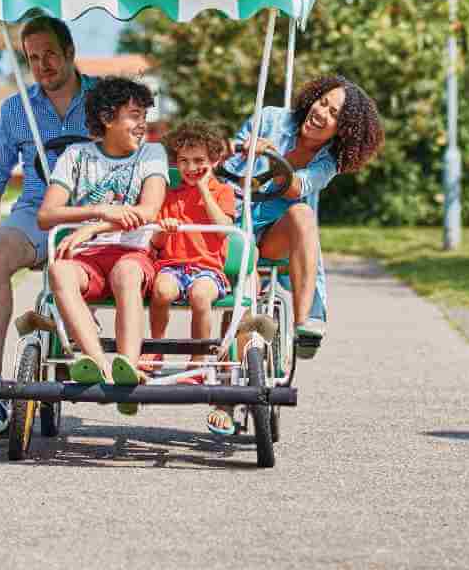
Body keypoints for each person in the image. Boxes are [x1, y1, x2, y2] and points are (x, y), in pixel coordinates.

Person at [0, 17, 96, 438]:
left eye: (49, 55)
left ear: (70, 54)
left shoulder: (105, 99)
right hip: (38, 210)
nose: (42, 65)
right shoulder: (16, 109)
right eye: (32, 58)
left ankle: (118, 357)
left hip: (96, 213)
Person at [226, 74, 384, 359]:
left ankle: (304, 326)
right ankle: (231, 384)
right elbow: (226, 166)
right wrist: (245, 151)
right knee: (247, 291)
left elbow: (298, 187)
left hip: (276, 234)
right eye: (322, 103)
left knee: (302, 212)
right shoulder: (271, 118)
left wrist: (275, 160)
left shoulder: (329, 160)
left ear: (343, 130)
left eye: (333, 113)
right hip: (236, 222)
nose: (321, 113)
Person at [40, 78, 169, 415]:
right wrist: (98, 209)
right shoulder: (76, 156)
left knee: (127, 273)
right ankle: (98, 362)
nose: (142, 125)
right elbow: (47, 215)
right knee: (58, 271)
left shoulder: (151, 154)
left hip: (132, 253)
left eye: (144, 116)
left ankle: (128, 364)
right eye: (134, 115)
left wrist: (94, 227)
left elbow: (148, 211)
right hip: (88, 261)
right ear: (108, 118)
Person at [146, 120, 240, 435]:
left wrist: (202, 188)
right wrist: (164, 227)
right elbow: (156, 244)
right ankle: (155, 349)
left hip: (207, 269)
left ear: (214, 161)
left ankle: (198, 361)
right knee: (161, 289)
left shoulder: (222, 192)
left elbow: (223, 225)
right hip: (173, 265)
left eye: (199, 161)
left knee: (201, 295)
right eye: (184, 162)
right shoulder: (170, 195)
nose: (191, 168)